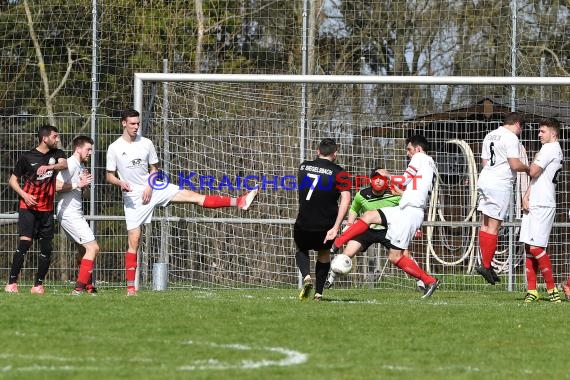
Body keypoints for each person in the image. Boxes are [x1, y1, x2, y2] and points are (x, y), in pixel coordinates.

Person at [106, 108, 258, 296]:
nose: (136, 127)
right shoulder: (114, 148)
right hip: (132, 198)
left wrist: (149, 187)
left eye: (138, 123)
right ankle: (130, 288)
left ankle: (239, 201)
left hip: (153, 188)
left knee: (192, 196)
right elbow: (109, 176)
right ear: (123, 123)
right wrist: (120, 182)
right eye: (132, 124)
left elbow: (154, 169)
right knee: (134, 240)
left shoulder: (146, 143)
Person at [330, 134, 440, 299]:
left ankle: (428, 281)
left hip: (410, 213)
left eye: (409, 149)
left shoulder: (419, 157)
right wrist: (403, 193)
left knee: (395, 257)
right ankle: (336, 244)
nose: (408, 153)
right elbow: (417, 188)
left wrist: (387, 174)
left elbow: (403, 179)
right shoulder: (430, 163)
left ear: (417, 149)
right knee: (368, 215)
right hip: (407, 209)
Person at [324, 168, 425, 292]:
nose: (378, 181)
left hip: (389, 230)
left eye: (382, 178)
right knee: (347, 253)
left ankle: (422, 282)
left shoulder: (394, 193)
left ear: (387, 181)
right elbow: (354, 209)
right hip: (366, 230)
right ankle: (330, 280)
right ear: (371, 180)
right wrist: (350, 223)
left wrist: (416, 227)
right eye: (375, 178)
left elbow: (412, 207)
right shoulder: (361, 194)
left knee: (405, 256)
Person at [5, 125, 68, 294]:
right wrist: (24, 195)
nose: (57, 139)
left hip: (47, 208)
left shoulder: (57, 154)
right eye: (55, 136)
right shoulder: (27, 157)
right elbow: (13, 180)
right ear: (44, 138)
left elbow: (64, 164)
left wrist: (49, 167)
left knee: (46, 247)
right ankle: (11, 283)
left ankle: (38, 285)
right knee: (25, 242)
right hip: (28, 207)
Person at [475, 112, 530, 285]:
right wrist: (528, 168)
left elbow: (485, 162)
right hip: (499, 184)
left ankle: (486, 263)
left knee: (484, 223)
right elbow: (514, 164)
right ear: (517, 124)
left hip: (484, 179)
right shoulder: (511, 138)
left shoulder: (490, 135)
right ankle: (485, 265)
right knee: (494, 226)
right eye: (521, 129)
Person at [294, 138, 351, 301]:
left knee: (301, 248)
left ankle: (306, 276)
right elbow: (346, 199)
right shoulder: (340, 173)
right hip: (326, 226)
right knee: (324, 254)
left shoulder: (303, 166)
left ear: (317, 151)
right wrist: (336, 227)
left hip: (304, 221)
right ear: (335, 154)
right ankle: (318, 294)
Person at [519, 118, 563, 303]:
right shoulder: (550, 149)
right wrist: (527, 194)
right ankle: (532, 291)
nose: (539, 134)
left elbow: (533, 171)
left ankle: (552, 290)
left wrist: (522, 164)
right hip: (536, 201)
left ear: (553, 133)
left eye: (542, 131)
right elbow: (537, 178)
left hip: (544, 203)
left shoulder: (550, 149)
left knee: (536, 247)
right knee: (529, 247)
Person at [56, 135, 100, 295]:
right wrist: (77, 184)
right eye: (88, 149)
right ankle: (78, 289)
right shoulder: (70, 163)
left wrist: (84, 186)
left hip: (75, 213)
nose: (90, 153)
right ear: (78, 148)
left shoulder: (80, 166)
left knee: (83, 250)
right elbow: (54, 185)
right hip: (69, 214)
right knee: (93, 248)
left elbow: (81, 192)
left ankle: (88, 287)